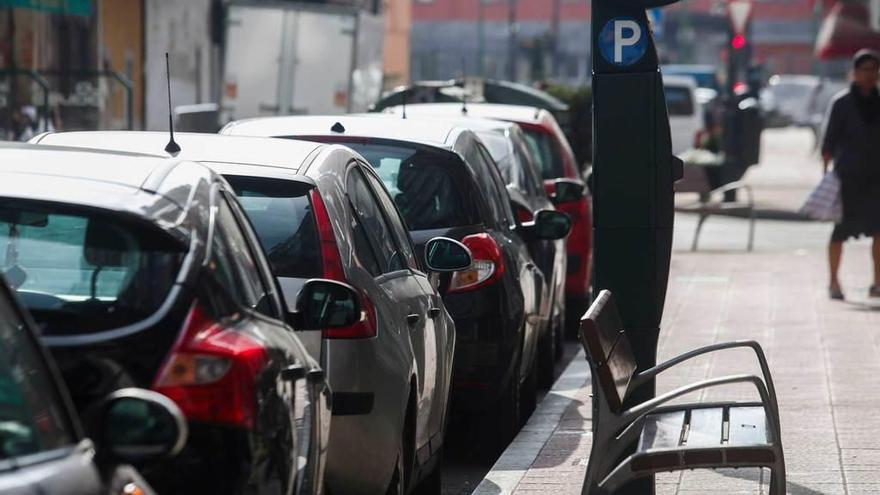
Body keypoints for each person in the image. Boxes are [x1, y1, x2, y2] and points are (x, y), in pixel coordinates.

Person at [821, 49, 880, 300]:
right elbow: (828, 144)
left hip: (876, 179)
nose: (870, 75)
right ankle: (834, 281)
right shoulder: (842, 103)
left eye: (874, 70)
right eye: (865, 70)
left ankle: (877, 282)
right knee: (839, 233)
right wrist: (826, 178)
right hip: (848, 179)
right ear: (854, 73)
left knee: (879, 232)